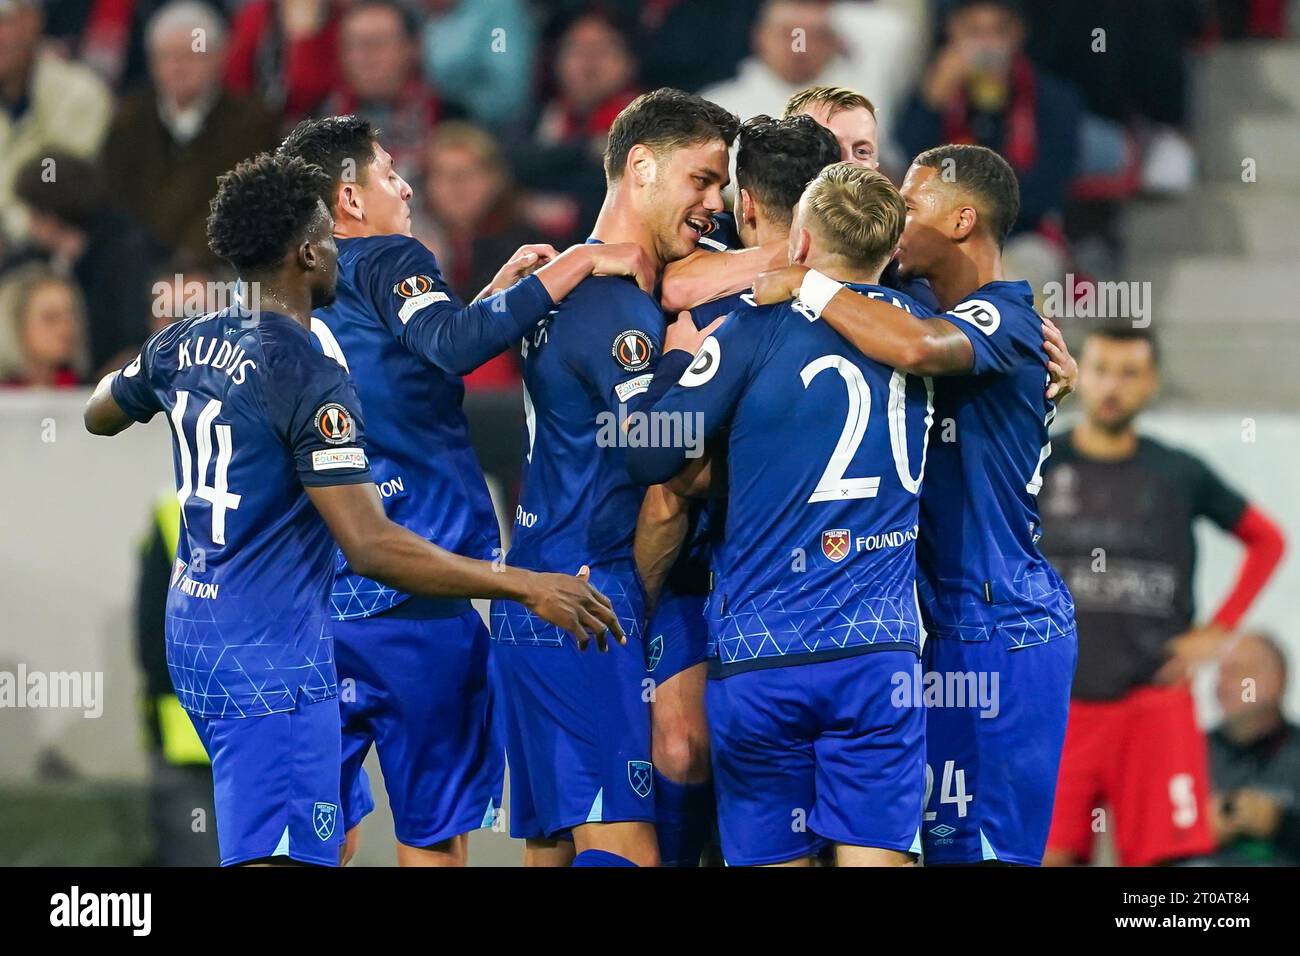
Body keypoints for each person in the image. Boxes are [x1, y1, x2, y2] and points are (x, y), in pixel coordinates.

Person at [82, 150, 623, 867]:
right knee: (282, 855)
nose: (341, 250)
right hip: (270, 652)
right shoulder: (308, 374)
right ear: (307, 253)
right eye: (328, 240)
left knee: (309, 843)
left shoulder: (188, 338)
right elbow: (370, 547)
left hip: (197, 631)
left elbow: (98, 413)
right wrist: (522, 585)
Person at [278, 114, 654, 866]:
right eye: (388, 173)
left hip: (317, 601)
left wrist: (492, 294)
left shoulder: (298, 282)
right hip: (417, 595)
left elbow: (402, 369)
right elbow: (453, 345)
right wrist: (570, 266)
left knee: (319, 835)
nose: (406, 184)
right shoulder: (390, 254)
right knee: (432, 831)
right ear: (349, 199)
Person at [754, 143, 1079, 866]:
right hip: (923, 630)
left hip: (1001, 628)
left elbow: (925, 350)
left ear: (964, 219)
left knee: (978, 853)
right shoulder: (899, 304)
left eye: (915, 199)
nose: (897, 212)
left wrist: (808, 287)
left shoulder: (1008, 317)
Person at [627, 162, 934, 866]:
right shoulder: (925, 335)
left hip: (763, 658)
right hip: (878, 656)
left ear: (799, 243)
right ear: (889, 252)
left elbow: (649, 454)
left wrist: (674, 368)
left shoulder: (749, 330)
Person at [490, 88, 738, 868]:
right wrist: (687, 361)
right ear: (641, 167)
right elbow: (653, 449)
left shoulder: (568, 288)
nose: (715, 203)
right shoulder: (616, 312)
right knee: (625, 852)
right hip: (584, 600)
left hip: (549, 593)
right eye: (702, 180)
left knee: (556, 845)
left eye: (722, 186)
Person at [637, 113, 840, 867]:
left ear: (746, 200)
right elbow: (670, 280)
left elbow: (657, 460)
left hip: (841, 577)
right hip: (713, 572)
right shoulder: (712, 282)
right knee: (687, 742)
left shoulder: (878, 288)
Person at [1038, 326, 1286, 866]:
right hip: (1058, 707)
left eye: (1130, 374)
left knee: (1167, 873)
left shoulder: (1179, 473)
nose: (1112, 386)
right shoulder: (1040, 465)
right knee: (1047, 855)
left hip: (1152, 705)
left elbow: (1267, 540)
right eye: (1101, 370)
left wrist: (1216, 632)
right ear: (1082, 373)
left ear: (1151, 384)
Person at [894, 0, 1081, 292]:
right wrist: (933, 103)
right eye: (974, 32)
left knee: (1022, 273)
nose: (986, 46)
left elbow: (1047, 193)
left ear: (1018, 33)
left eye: (997, 32)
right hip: (938, 234)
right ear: (952, 32)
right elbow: (908, 172)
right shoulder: (934, 93)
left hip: (1021, 237)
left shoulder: (1052, 100)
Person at [661, 85, 891, 313]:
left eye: (862, 152)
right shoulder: (718, 227)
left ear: (877, 169)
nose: (846, 165)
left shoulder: (893, 248)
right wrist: (831, 243)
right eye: (829, 143)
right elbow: (678, 288)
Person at [100, 0, 280, 268]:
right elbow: (113, 201)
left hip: (220, 270)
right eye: (169, 56)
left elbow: (251, 209)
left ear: (219, 58)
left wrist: (192, 261)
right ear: (153, 63)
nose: (179, 67)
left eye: (192, 55)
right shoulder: (128, 120)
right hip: (135, 268)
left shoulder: (252, 122)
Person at [12, 152, 167, 369]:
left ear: (53, 213)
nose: (31, 225)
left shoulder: (127, 252)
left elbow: (136, 336)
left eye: (35, 213)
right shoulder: (32, 257)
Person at [0, 0, 112, 247]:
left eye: (3, 20)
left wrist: (13, 225)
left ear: (32, 23)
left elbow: (58, 195)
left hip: (50, 252)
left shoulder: (80, 94)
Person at [321, 0, 441, 179]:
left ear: (412, 48)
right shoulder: (318, 118)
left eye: (379, 43)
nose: (365, 56)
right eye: (354, 44)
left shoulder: (447, 116)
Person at [1209, 632, 1300, 866]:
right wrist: (1195, 828)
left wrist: (1279, 823)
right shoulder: (1187, 754)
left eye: (1238, 672)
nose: (1222, 684)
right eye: (1220, 672)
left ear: (1277, 680)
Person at [1, 271, 87, 387]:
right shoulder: (5, 391)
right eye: (51, 317)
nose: (67, 327)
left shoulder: (87, 391)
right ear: (16, 325)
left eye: (72, 315)